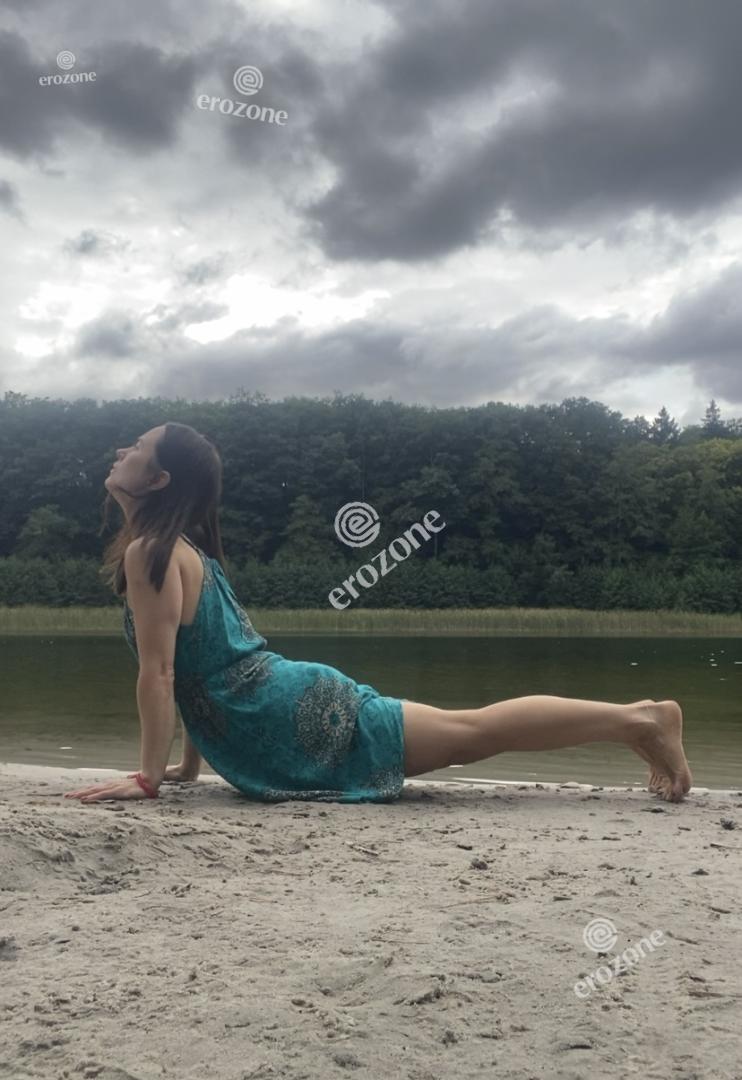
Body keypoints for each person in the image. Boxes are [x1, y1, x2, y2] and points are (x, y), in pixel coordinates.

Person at [64, 423, 693, 807]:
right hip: (281, 706)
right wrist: (187, 766)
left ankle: (640, 719)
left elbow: (162, 675)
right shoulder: (177, 550)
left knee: (474, 732)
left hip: (291, 715)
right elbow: (205, 670)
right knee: (470, 732)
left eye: (137, 446)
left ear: (159, 479)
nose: (121, 449)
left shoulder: (155, 553)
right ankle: (634, 723)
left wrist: (148, 779)